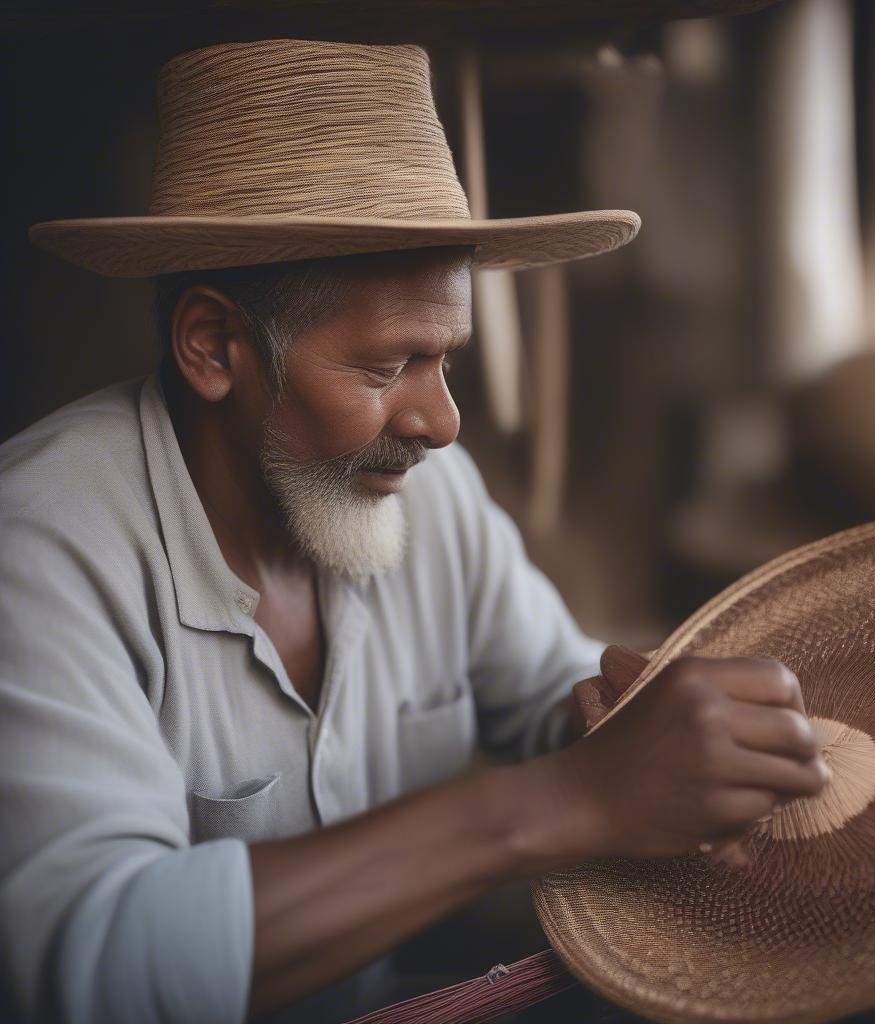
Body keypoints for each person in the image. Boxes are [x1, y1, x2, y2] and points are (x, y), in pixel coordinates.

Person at [1, 39, 827, 1023]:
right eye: (390, 365)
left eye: (446, 359)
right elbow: (90, 963)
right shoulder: (39, 548)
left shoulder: (429, 500)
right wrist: (561, 801)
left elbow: (553, 696)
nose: (443, 422)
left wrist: (647, 732)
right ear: (213, 346)